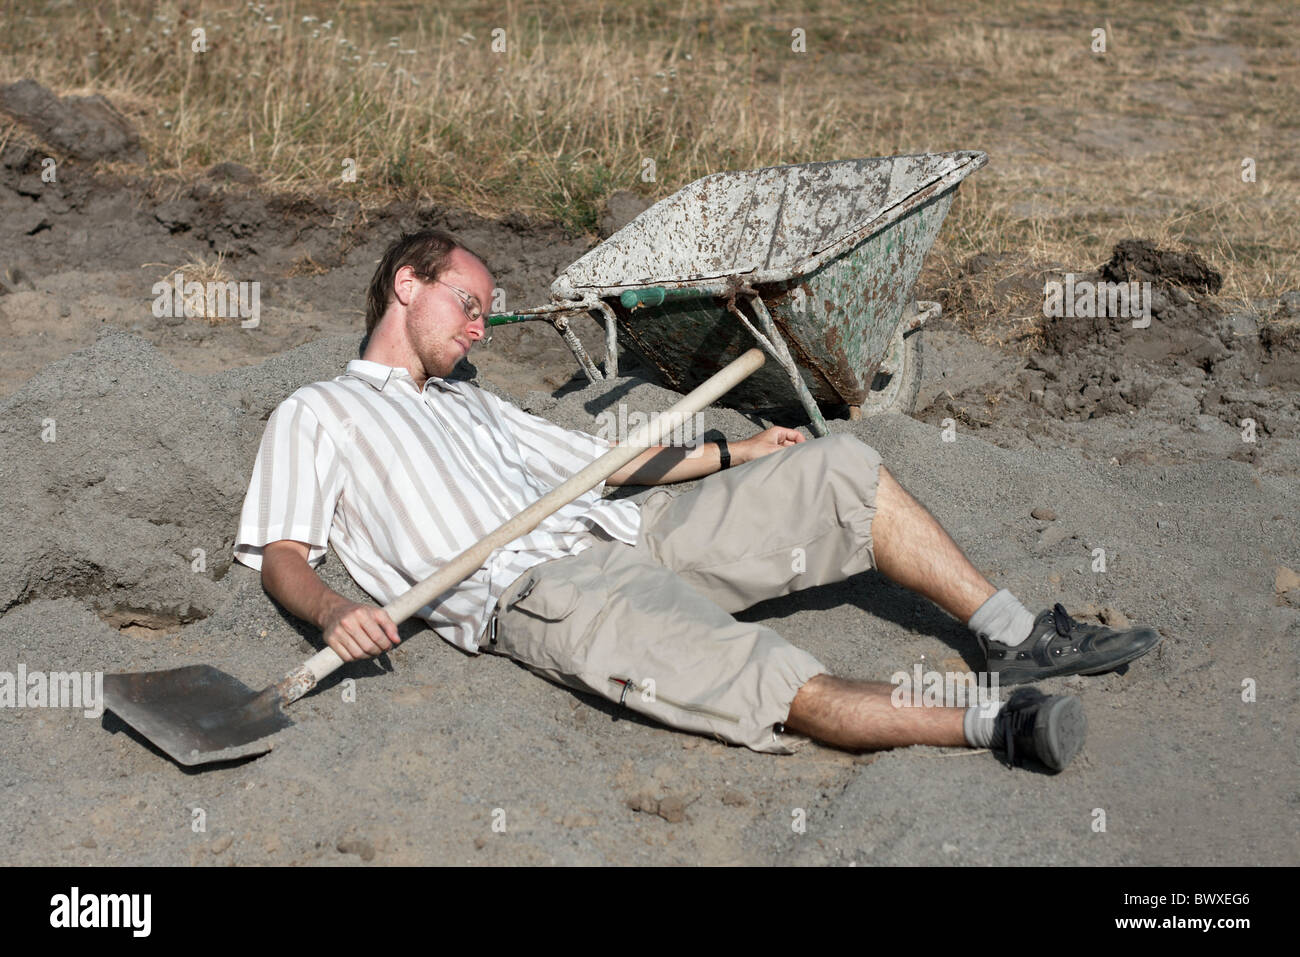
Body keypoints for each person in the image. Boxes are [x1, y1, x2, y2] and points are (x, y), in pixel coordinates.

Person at [233, 229, 1162, 772]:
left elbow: (605, 464)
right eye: (467, 304)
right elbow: (283, 553)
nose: (479, 326)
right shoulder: (321, 411)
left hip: (638, 529)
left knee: (838, 467)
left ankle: (1013, 634)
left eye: (483, 312)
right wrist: (337, 611)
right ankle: (998, 721)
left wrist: (737, 451)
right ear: (407, 284)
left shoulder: (472, 398)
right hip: (548, 590)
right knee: (758, 670)